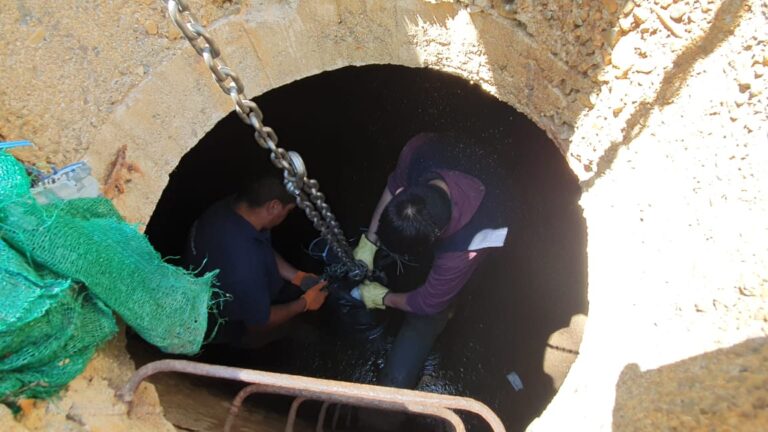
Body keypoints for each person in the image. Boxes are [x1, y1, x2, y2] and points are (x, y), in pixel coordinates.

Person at [354, 132, 512, 390]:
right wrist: (369, 242)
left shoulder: (465, 248)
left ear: (433, 241)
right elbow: (394, 186)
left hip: (493, 201)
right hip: (464, 159)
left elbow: (429, 301)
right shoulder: (419, 150)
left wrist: (383, 297)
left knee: (437, 310)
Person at [184, 175, 328, 350]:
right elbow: (259, 322)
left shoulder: (235, 209)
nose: (286, 216)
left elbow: (261, 246)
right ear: (274, 206)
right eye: (288, 211)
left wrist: (297, 276)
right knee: (256, 333)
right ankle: (286, 334)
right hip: (226, 318)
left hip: (223, 280)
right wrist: (304, 304)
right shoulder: (243, 271)